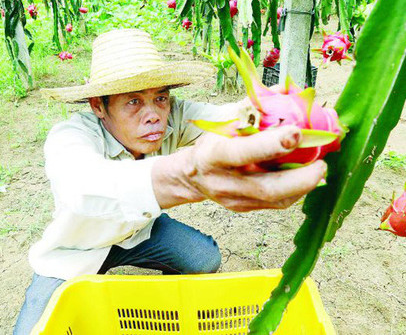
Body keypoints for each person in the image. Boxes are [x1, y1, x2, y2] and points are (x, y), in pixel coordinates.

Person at [13, 29, 326, 334]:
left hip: (139, 233)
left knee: (204, 259)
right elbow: (82, 186)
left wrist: (282, 114)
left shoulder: (172, 115)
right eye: (133, 101)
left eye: (160, 98)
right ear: (98, 105)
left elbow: (228, 117)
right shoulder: (71, 137)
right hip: (75, 250)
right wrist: (184, 175)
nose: (154, 115)